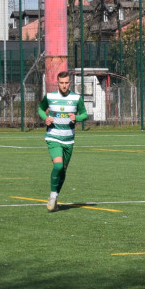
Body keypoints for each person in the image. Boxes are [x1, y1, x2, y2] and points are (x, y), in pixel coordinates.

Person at [38, 71, 88, 212]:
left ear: (69, 83)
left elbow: (84, 114)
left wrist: (77, 118)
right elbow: (41, 109)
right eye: (62, 83)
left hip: (68, 139)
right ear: (57, 83)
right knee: (58, 166)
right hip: (53, 136)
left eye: (66, 83)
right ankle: (52, 197)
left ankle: (55, 198)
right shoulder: (50, 96)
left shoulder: (76, 98)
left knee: (63, 171)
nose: (64, 86)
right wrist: (45, 118)